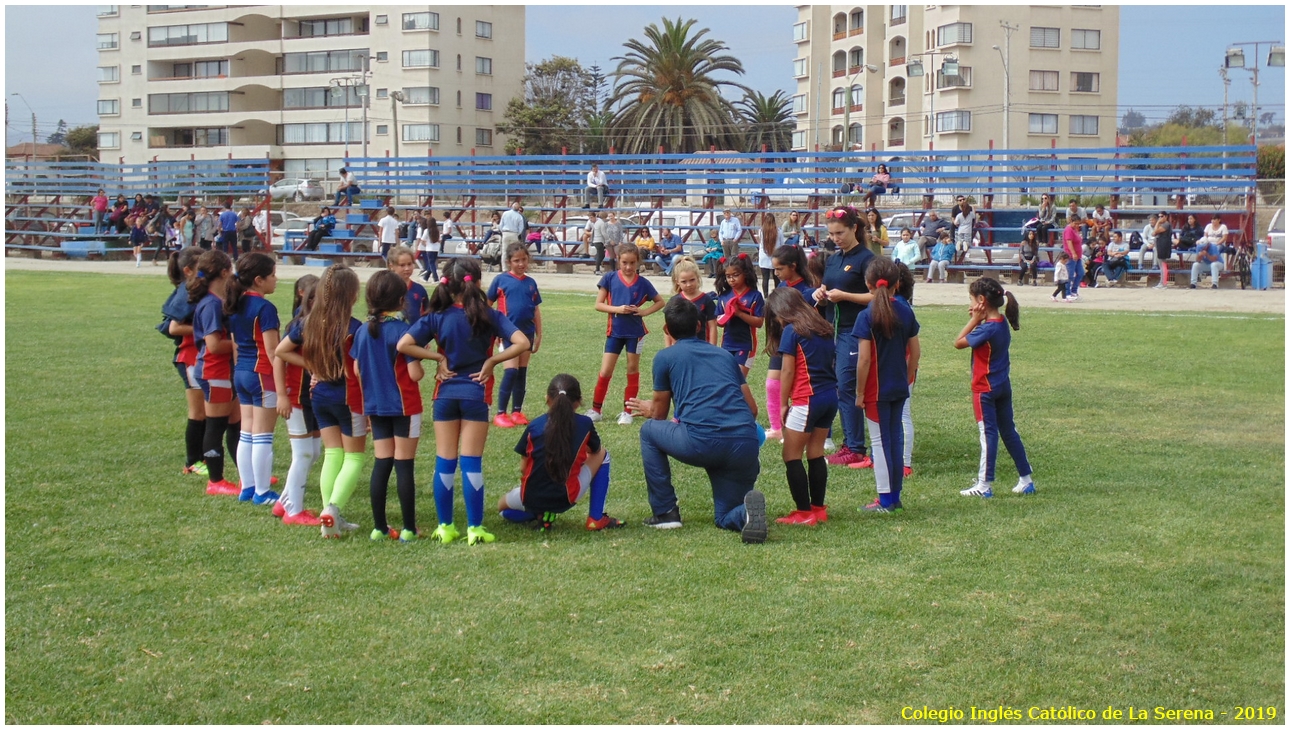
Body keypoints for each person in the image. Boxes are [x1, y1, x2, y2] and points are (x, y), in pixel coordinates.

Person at [398, 257, 531, 545]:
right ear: (477, 282)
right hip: (476, 394)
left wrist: (438, 357)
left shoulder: (436, 316)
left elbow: (404, 344)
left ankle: (445, 527)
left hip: (444, 395)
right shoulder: (488, 315)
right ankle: (475, 528)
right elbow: (523, 342)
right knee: (471, 463)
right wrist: (492, 361)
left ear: (447, 283)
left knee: (445, 461)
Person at [624, 298, 768, 543]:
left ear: (667, 330)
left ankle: (665, 512)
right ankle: (745, 514)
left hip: (702, 441)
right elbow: (752, 409)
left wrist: (649, 409)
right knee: (724, 516)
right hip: (743, 443)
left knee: (649, 431)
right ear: (699, 326)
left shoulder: (665, 357)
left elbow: (658, 415)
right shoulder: (725, 356)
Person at [351, 269, 425, 542]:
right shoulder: (404, 332)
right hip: (404, 405)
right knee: (404, 465)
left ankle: (379, 528)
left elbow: (357, 370)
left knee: (382, 464)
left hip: (375, 405)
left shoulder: (362, 331)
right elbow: (415, 374)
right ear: (401, 300)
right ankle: (409, 529)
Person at [497, 374, 624, 531]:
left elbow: (523, 468)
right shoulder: (584, 424)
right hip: (566, 496)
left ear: (547, 398)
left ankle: (538, 513)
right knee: (603, 454)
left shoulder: (535, 426)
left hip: (531, 497)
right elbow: (595, 451)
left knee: (502, 509)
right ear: (578, 401)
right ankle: (596, 518)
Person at [300, 265, 367, 538]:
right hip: (348, 398)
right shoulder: (355, 328)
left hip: (320, 396)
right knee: (354, 456)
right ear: (352, 295)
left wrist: (314, 368)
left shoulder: (310, 322)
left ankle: (330, 517)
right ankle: (332, 509)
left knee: (332, 454)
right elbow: (360, 371)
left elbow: (282, 350)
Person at [954, 277, 1036, 498]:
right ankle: (1026, 479)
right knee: (1009, 431)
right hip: (1002, 386)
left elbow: (958, 342)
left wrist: (974, 320)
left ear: (981, 300)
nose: (970, 304)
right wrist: (978, 320)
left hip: (984, 390)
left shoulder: (986, 329)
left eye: (971, 299)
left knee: (988, 435)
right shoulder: (1000, 322)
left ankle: (984, 485)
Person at [763, 285, 836, 527]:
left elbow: (787, 370)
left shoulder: (792, 331)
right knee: (816, 453)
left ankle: (804, 513)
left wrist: (783, 404)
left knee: (791, 455)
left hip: (807, 399)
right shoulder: (822, 326)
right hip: (829, 397)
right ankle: (818, 509)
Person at [852, 257, 921, 512]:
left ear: (868, 284)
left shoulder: (866, 316)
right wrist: (907, 377)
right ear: (897, 284)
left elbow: (864, 360)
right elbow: (915, 353)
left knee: (880, 443)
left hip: (875, 389)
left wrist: (859, 392)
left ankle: (886, 500)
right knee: (895, 439)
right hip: (898, 386)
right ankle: (895, 497)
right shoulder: (906, 311)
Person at [813, 205, 875, 468]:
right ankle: (849, 442)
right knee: (839, 387)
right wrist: (821, 294)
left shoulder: (867, 260)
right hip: (833, 329)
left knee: (847, 387)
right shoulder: (834, 259)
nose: (835, 238)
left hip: (855, 331)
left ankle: (855, 447)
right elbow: (828, 287)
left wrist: (846, 296)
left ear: (854, 229)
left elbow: (878, 296)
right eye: (831, 234)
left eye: (840, 233)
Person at [223, 252, 281, 505]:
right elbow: (272, 351)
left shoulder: (236, 303)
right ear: (259, 280)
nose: (276, 279)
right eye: (272, 275)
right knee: (263, 435)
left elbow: (236, 345)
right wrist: (283, 383)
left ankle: (247, 488)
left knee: (246, 431)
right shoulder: (265, 308)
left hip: (242, 372)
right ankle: (262, 491)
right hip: (262, 374)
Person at [588, 244, 666, 425]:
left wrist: (644, 312)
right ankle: (596, 410)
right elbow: (598, 304)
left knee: (632, 370)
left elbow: (660, 302)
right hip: (614, 333)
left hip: (635, 334)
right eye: (624, 262)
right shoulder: (609, 278)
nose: (628, 267)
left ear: (638, 262)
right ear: (618, 260)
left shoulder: (643, 283)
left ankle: (627, 412)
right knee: (605, 371)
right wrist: (618, 309)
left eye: (632, 263)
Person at [188, 249, 243, 497]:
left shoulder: (216, 300)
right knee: (216, 426)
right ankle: (215, 480)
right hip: (215, 371)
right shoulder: (210, 304)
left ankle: (247, 475)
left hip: (225, 371)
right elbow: (213, 345)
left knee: (236, 425)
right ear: (224, 272)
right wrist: (242, 344)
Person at [271, 275, 324, 526]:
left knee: (313, 452)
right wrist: (281, 395)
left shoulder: (321, 324)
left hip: (314, 397)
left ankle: (284, 501)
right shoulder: (299, 325)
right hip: (296, 397)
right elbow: (278, 357)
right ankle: (294, 511)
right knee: (303, 453)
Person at [763, 245, 816, 441]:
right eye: (775, 269)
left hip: (801, 345)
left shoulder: (808, 289)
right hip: (781, 341)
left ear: (793, 266)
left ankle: (799, 427)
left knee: (797, 386)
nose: (776, 273)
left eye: (779, 269)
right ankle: (776, 427)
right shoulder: (781, 287)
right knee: (772, 384)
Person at [161, 247, 206, 477]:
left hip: (203, 356)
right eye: (202, 268)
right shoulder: (186, 291)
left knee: (210, 411)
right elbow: (174, 327)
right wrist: (209, 330)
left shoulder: (197, 288)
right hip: (190, 356)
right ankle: (193, 462)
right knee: (198, 412)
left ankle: (206, 458)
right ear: (188, 270)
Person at [489, 243, 544, 428]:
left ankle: (517, 411)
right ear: (508, 262)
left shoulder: (531, 283)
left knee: (521, 372)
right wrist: (493, 329)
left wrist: (539, 333)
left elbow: (535, 309)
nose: (521, 264)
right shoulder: (500, 280)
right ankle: (500, 413)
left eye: (524, 260)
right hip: (508, 334)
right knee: (511, 371)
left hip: (527, 333)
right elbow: (487, 305)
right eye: (516, 260)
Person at [714, 253, 765, 379]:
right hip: (727, 344)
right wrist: (726, 315)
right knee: (726, 379)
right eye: (728, 276)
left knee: (738, 380)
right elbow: (717, 320)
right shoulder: (724, 296)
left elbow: (759, 322)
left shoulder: (755, 296)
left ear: (745, 273)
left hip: (746, 345)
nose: (732, 279)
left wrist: (739, 313)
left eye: (736, 275)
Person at [893, 261, 918, 477]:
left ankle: (905, 462)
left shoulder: (899, 307)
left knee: (903, 414)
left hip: (902, 367)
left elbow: (912, 348)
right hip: (900, 367)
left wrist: (908, 373)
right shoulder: (898, 304)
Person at [666, 257, 718, 346]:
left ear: (697, 277)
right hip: (680, 348)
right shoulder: (673, 301)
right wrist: (668, 348)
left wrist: (712, 348)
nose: (689, 284)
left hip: (702, 347)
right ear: (677, 281)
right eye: (684, 281)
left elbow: (712, 326)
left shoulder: (706, 300)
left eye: (692, 280)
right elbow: (668, 328)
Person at [387, 245, 428, 322]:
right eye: (402, 265)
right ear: (391, 266)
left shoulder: (419, 290)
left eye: (409, 264)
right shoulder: (386, 289)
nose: (407, 268)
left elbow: (426, 316)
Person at [753, 213, 779, 296]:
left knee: (765, 278)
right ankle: (777, 295)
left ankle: (766, 296)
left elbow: (761, 243)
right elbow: (781, 244)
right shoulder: (778, 231)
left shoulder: (761, 231)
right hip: (775, 256)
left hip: (764, 257)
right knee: (776, 278)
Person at [1061, 219, 1084, 302]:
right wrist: (1073, 253)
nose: (1077, 225)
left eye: (1078, 224)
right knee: (1069, 275)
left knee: (1081, 273)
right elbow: (1069, 242)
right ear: (1071, 222)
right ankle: (1067, 293)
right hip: (1071, 256)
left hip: (1078, 256)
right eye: (1075, 223)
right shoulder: (1068, 230)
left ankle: (1074, 291)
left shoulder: (1075, 230)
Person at [416, 211, 441, 282]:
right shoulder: (437, 230)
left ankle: (435, 278)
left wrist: (426, 244)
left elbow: (422, 240)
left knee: (431, 264)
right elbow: (439, 240)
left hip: (429, 248)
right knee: (432, 263)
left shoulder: (427, 230)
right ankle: (425, 277)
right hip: (436, 248)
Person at [1152, 212, 1173, 289]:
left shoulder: (1166, 224)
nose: (1160, 218)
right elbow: (1153, 233)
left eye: (1162, 216)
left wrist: (1157, 222)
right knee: (1161, 265)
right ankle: (1162, 282)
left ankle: (1163, 283)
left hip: (1163, 245)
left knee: (1163, 265)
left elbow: (1156, 231)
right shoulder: (1161, 224)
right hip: (1159, 245)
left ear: (1166, 216)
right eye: (1159, 217)